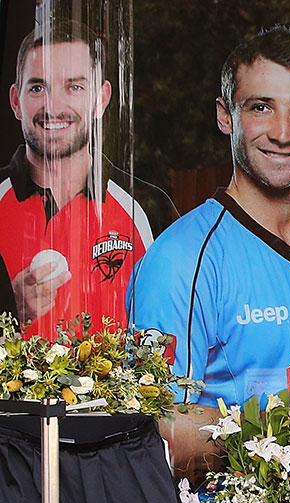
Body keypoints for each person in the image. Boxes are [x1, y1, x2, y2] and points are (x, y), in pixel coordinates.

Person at [127, 26, 290, 428]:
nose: (282, 133)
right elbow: (157, 431)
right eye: (261, 108)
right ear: (225, 116)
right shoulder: (179, 261)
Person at [0, 20, 175, 338]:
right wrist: (10, 309)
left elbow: (180, 329)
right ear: (15, 101)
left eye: (74, 87)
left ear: (100, 99)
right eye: (38, 88)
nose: (53, 107)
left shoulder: (148, 208)